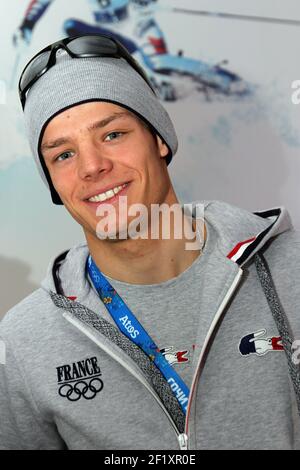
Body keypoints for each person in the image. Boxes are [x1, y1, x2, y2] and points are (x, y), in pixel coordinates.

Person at [0, 33, 299, 451]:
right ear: (52, 181)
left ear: (159, 139)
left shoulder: (292, 272)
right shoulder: (22, 341)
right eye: (63, 155)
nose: (92, 167)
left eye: (112, 135)